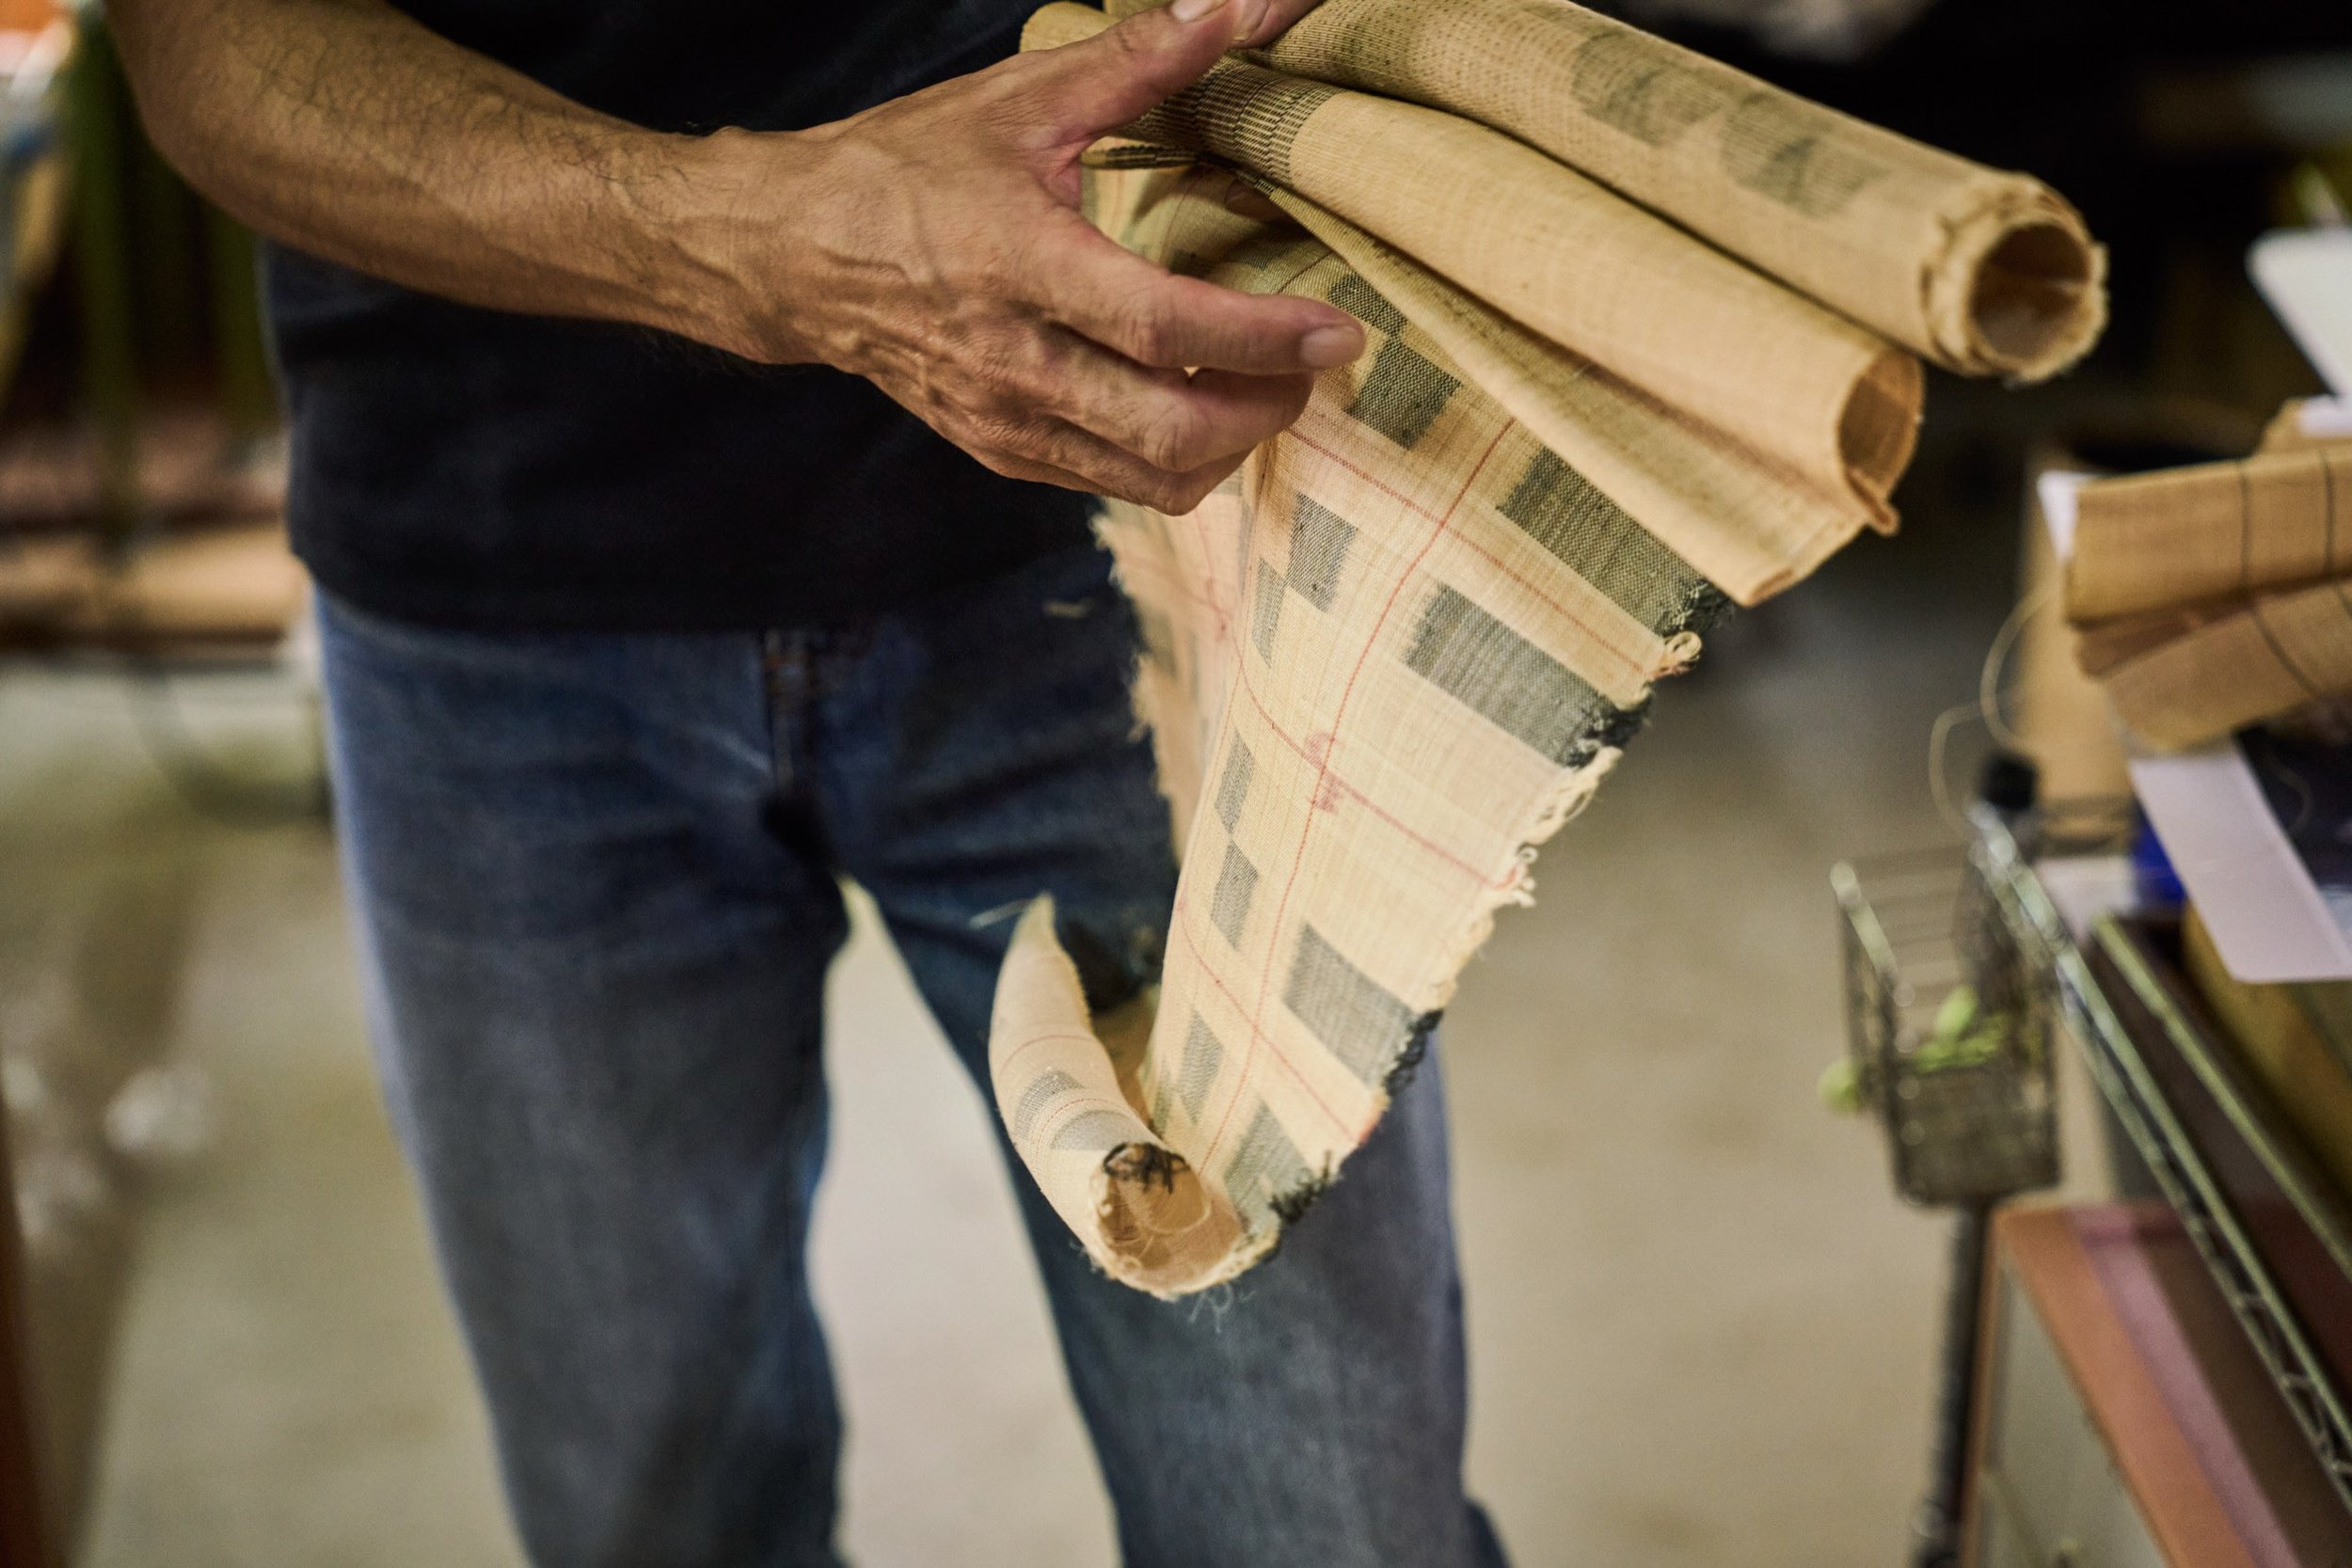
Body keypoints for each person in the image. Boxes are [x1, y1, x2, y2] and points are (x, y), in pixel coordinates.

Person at [113, 0, 1510, 1562]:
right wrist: (751, 244)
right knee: (655, 1516)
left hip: (1134, 541)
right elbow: (204, 42)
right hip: (493, 598)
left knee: (1328, 1525)